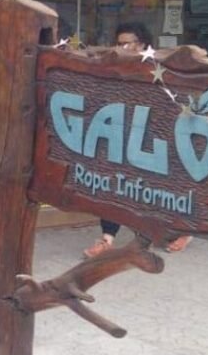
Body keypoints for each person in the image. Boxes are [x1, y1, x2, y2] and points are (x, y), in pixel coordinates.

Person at [82, 22, 192, 258]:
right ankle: (107, 238)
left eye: (127, 43)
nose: (121, 47)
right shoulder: (116, 66)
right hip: (122, 132)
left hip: (154, 135)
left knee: (160, 187)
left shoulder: (158, 65)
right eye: (118, 43)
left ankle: (181, 230)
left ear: (142, 44)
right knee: (112, 184)